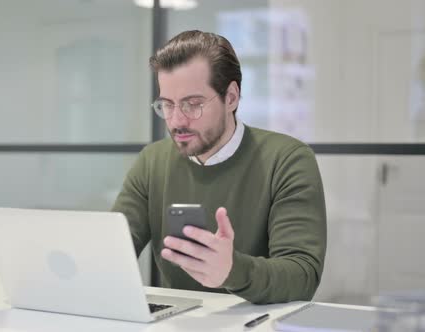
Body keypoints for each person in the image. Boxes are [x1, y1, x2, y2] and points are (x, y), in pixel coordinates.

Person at [111, 30, 327, 304]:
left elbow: (302, 275)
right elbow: (113, 252)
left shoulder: (287, 159)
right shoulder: (152, 160)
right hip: (177, 323)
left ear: (232, 97)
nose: (177, 120)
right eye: (167, 105)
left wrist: (232, 271)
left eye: (193, 104)